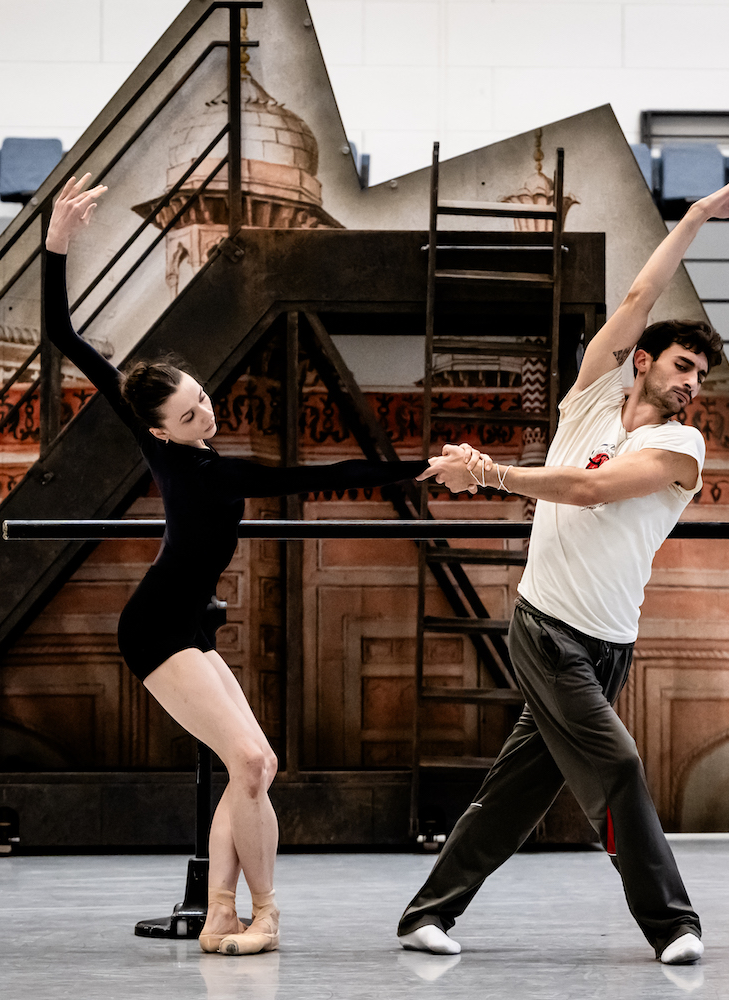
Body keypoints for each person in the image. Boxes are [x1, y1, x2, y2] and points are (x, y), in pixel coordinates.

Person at [45, 175, 440, 955]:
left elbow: (324, 477)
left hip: (185, 627)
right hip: (155, 629)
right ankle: (264, 918)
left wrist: (425, 468)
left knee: (258, 766)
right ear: (158, 430)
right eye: (189, 414)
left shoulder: (204, 459)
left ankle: (222, 914)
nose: (207, 413)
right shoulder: (186, 459)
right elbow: (64, 334)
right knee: (251, 759)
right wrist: (57, 241)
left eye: (202, 398)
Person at [408, 173, 729, 967]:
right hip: (546, 630)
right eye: (682, 366)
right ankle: (673, 924)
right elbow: (642, 292)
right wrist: (693, 217)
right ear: (642, 362)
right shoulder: (589, 399)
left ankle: (426, 913)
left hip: (610, 646)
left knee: (517, 790)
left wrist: (489, 473)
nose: (692, 384)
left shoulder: (681, 447)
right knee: (619, 765)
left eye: (701, 377)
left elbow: (589, 489)